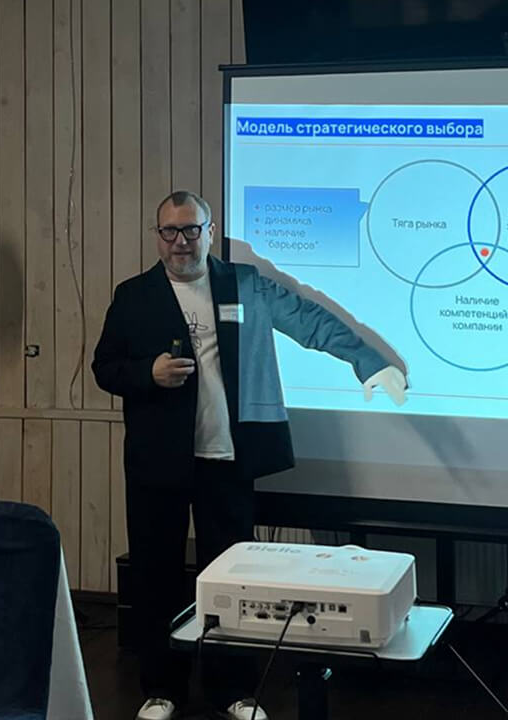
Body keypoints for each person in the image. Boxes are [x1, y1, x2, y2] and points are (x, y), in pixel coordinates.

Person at [92, 190, 407, 720]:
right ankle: (161, 690)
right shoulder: (133, 296)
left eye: (191, 229)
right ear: (157, 237)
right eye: (170, 231)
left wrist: (368, 362)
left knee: (233, 581)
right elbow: (105, 368)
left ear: (210, 232)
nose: (180, 242)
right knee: (155, 575)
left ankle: (232, 690)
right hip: (157, 464)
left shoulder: (246, 285)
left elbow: (310, 321)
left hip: (227, 460)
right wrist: (147, 373)